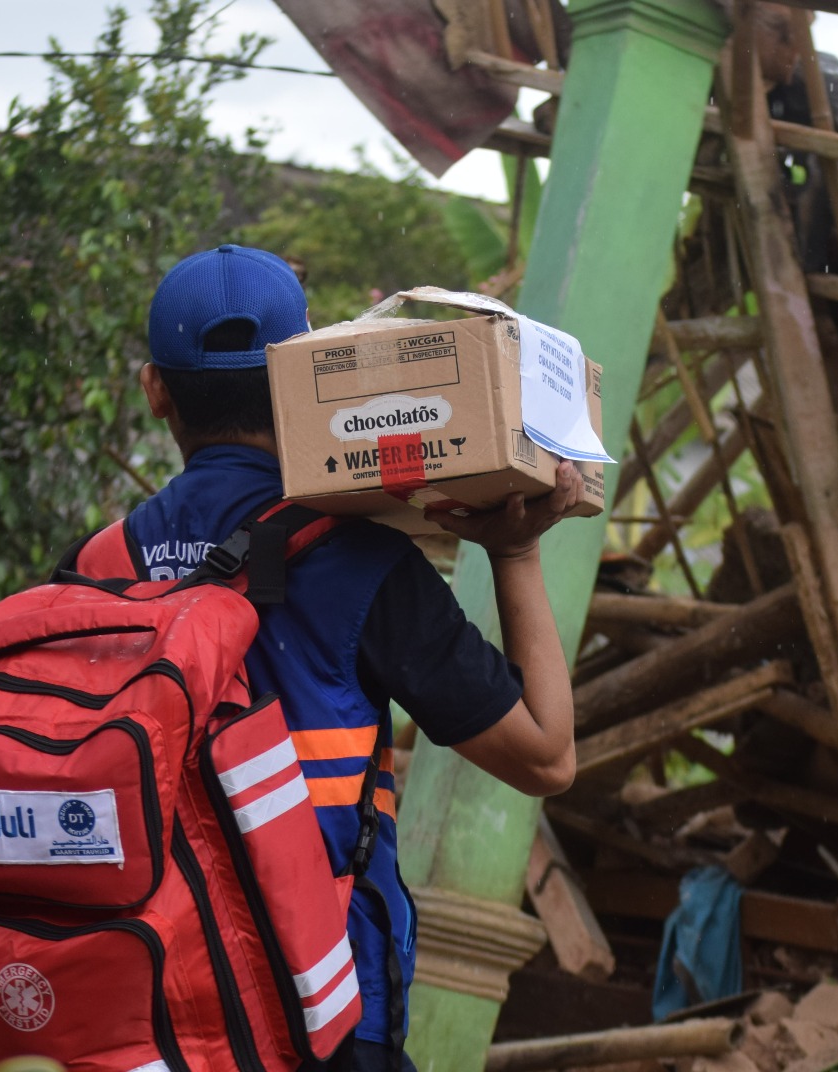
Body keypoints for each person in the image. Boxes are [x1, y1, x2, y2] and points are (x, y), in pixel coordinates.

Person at [104, 244, 581, 1071]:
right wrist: (517, 554)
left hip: (141, 1004)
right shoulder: (363, 566)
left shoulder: (96, 568)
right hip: (318, 1008)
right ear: (302, 376)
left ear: (155, 391)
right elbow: (546, 756)